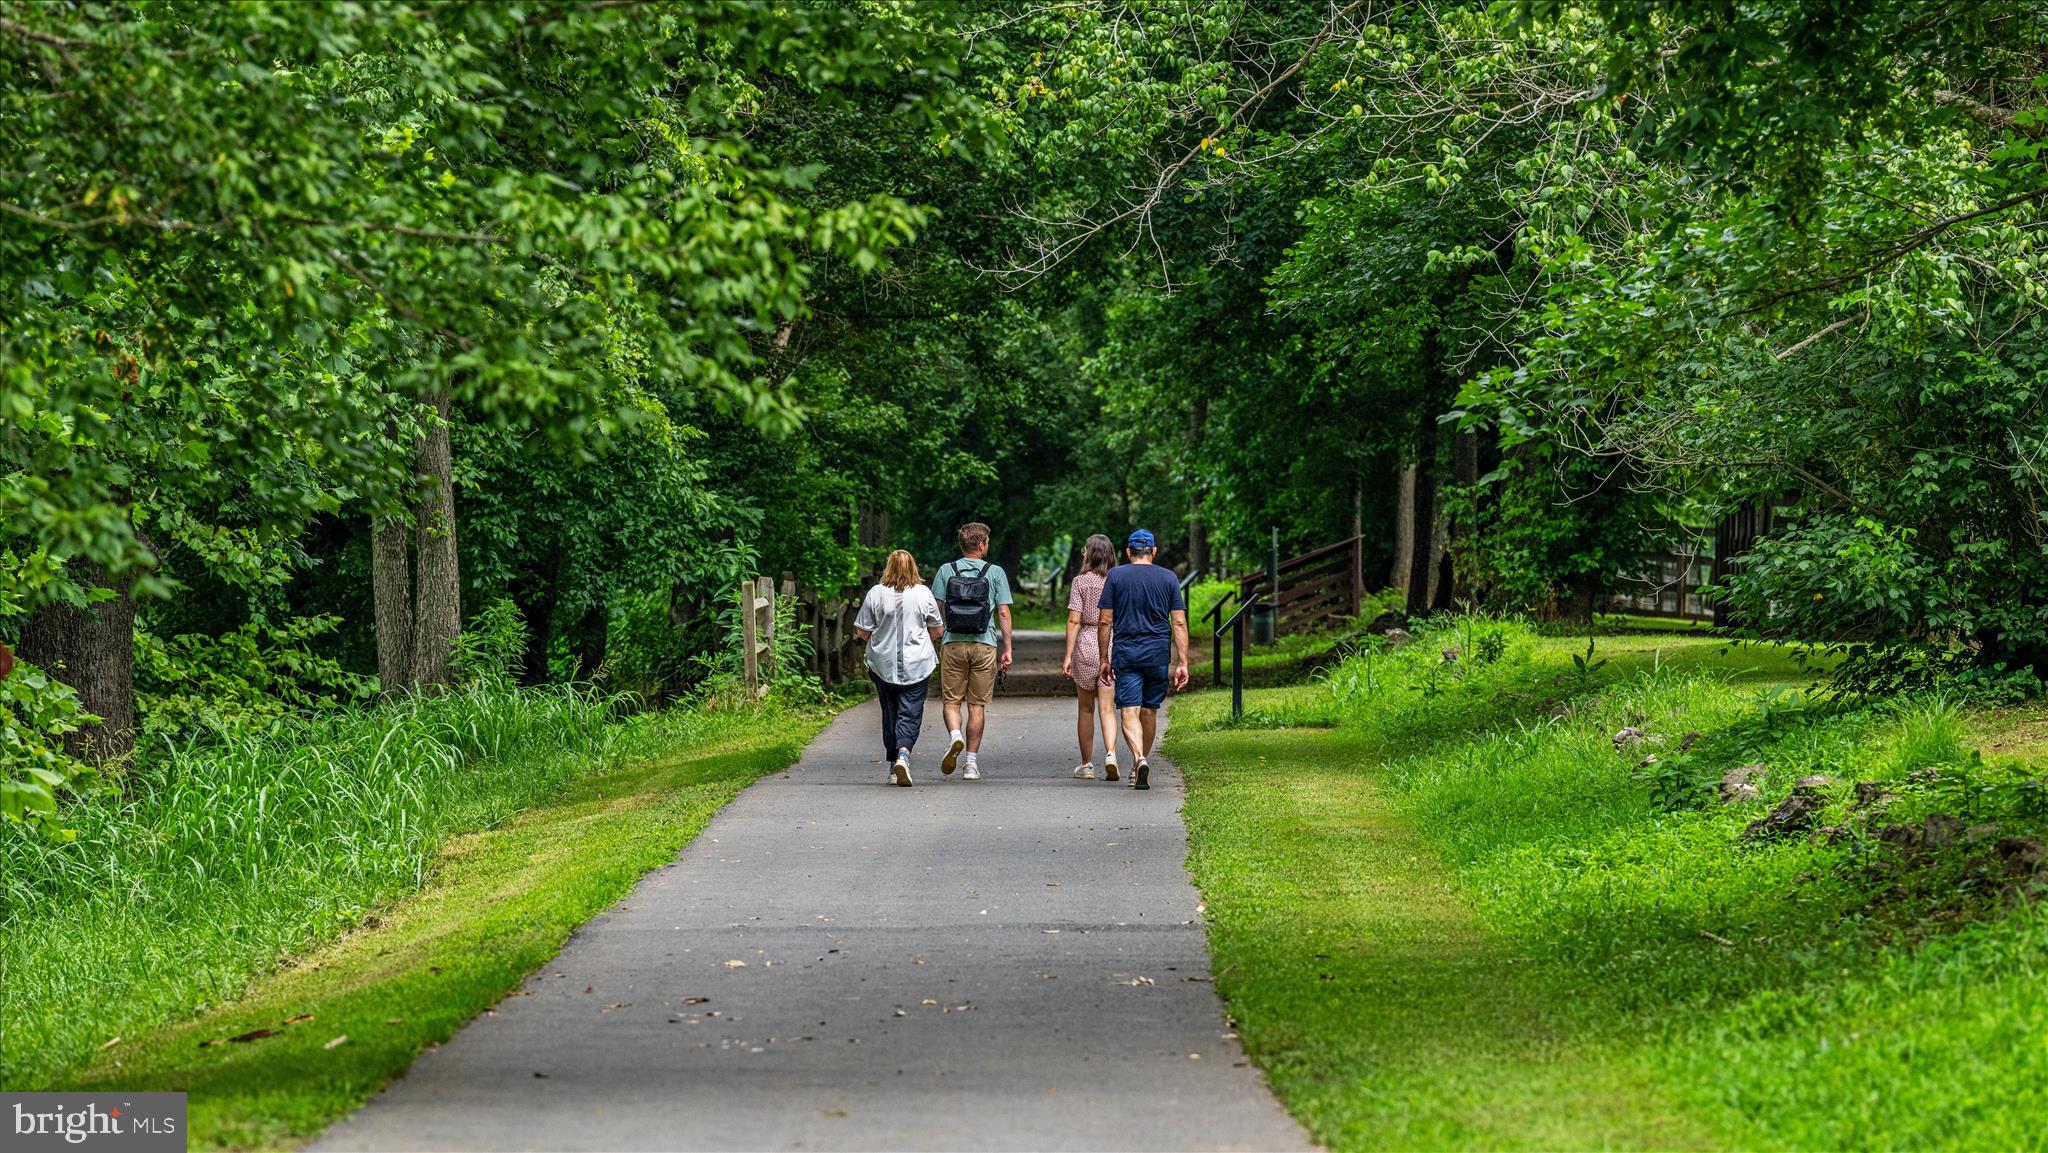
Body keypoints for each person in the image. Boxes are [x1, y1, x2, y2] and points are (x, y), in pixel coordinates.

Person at [1095, 529, 1189, 791]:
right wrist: (1183, 662)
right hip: (1158, 654)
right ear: (1153, 552)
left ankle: (1139, 759)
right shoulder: (1169, 577)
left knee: (1129, 710)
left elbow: (1105, 620)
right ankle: (1139, 766)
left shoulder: (1116, 576)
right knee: (1149, 710)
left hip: (1127, 653)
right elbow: (1179, 622)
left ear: (1128, 552)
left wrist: (1103, 658)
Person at [931, 522, 1014, 781]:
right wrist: (1008, 648)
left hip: (953, 643)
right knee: (977, 705)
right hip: (984, 644)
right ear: (980, 545)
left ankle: (955, 735)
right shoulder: (995, 572)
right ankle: (970, 764)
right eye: (987, 541)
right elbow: (1003, 612)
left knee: (951, 702)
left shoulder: (946, 570)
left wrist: (936, 637)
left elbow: (934, 609)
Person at [853, 550, 944, 788]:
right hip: (918, 664)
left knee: (890, 710)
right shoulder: (924, 593)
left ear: (888, 568)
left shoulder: (875, 593)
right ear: (913, 568)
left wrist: (881, 638)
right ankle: (904, 754)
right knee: (911, 711)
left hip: (883, 665)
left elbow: (862, 631)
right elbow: (937, 630)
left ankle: (894, 765)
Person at [1061, 533, 1120, 781]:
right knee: (1108, 708)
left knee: (1086, 708)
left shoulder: (1080, 582)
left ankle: (1086, 765)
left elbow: (1074, 620)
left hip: (1086, 643)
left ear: (1089, 554)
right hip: (1111, 643)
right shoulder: (1117, 580)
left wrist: (1067, 655)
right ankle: (1111, 753)